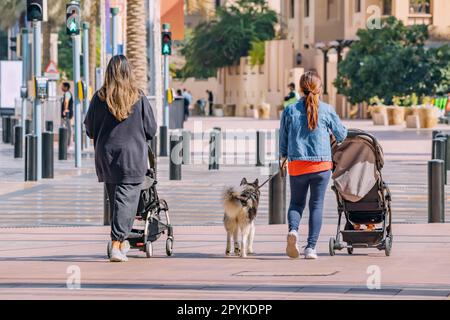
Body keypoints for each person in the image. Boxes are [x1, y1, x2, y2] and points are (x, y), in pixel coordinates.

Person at [84, 55, 157, 263]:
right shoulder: (138, 97)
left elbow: (89, 127)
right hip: (132, 157)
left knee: (117, 200)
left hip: (106, 156)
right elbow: (151, 129)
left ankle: (121, 242)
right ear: (129, 73)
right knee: (126, 202)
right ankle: (117, 244)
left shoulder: (99, 98)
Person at [279, 71, 348, 260]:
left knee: (296, 203)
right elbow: (342, 135)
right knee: (316, 205)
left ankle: (293, 231)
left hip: (297, 165)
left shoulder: (289, 110)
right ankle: (310, 248)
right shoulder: (327, 109)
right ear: (320, 89)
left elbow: (283, 140)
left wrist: (283, 156)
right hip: (321, 166)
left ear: (300, 89)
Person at [60, 82, 74, 147]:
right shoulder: (67, 93)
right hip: (67, 114)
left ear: (66, 87)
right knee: (67, 129)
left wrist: (65, 110)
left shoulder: (67, 93)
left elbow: (66, 101)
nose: (61, 88)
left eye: (62, 86)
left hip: (67, 115)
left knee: (68, 129)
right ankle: (67, 143)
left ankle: (69, 144)